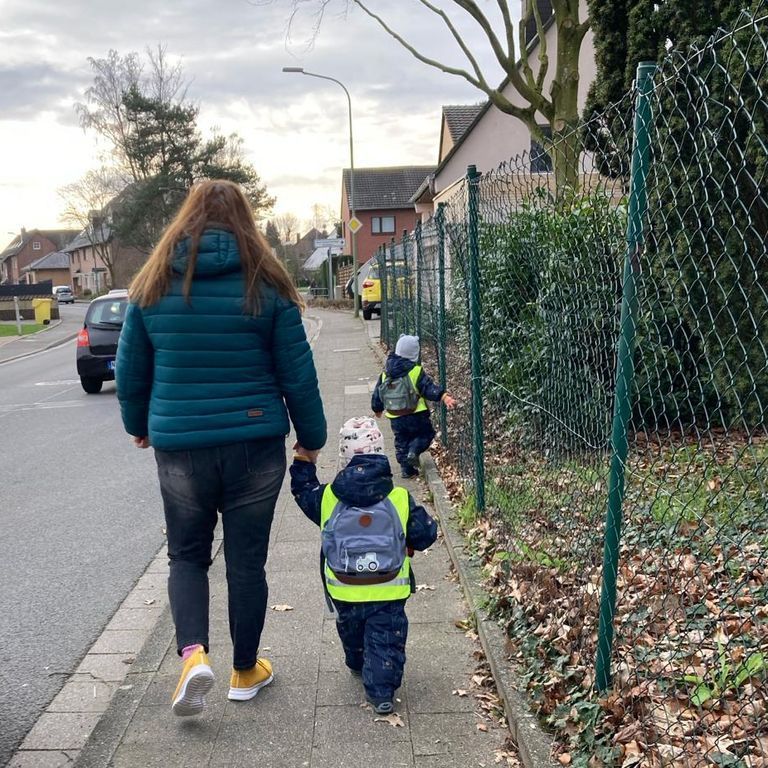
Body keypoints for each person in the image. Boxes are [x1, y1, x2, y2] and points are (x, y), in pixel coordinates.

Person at [116, 179, 326, 717]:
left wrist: (138, 425)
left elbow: (132, 372)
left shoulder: (151, 285)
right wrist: (311, 439)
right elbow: (297, 374)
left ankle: (193, 656)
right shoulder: (267, 283)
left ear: (185, 218)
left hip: (180, 445)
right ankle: (244, 671)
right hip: (255, 444)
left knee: (187, 554)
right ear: (245, 221)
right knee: (246, 561)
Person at [290, 432, 437, 715]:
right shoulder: (399, 498)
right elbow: (425, 534)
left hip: (343, 587)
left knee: (351, 629)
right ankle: (381, 693)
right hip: (389, 587)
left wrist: (303, 458)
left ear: (344, 459)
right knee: (386, 637)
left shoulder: (327, 497)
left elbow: (303, 490)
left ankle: (356, 660)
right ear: (381, 455)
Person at [372, 334, 456, 478]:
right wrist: (443, 396)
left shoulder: (386, 373)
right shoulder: (415, 371)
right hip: (416, 414)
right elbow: (427, 388)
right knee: (426, 434)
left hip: (395, 416)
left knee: (401, 442)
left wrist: (377, 408)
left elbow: (378, 392)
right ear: (414, 354)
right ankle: (414, 450)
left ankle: (407, 470)